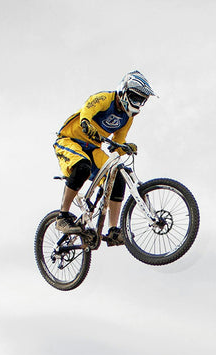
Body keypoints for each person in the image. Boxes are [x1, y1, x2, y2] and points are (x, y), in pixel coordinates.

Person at [52, 71, 156, 245]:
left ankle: (114, 230)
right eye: (135, 98)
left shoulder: (127, 118)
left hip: (93, 148)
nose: (137, 103)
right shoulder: (105, 99)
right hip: (70, 140)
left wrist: (125, 147)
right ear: (124, 91)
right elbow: (88, 108)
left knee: (119, 175)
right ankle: (62, 216)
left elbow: (116, 143)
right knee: (82, 167)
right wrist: (85, 123)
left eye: (140, 100)